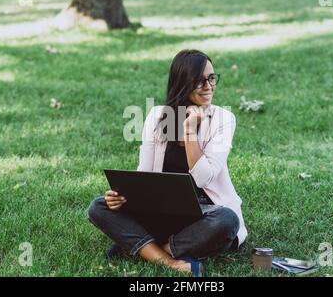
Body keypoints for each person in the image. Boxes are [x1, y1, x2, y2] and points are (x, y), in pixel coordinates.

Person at [88, 49, 247, 276]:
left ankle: (145, 249)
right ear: (182, 82)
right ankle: (169, 261)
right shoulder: (157, 116)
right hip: (163, 212)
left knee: (227, 220)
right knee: (99, 206)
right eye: (199, 80)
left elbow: (204, 177)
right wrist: (123, 197)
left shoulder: (223, 119)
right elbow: (144, 175)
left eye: (212, 78)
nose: (209, 86)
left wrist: (190, 131)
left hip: (207, 212)